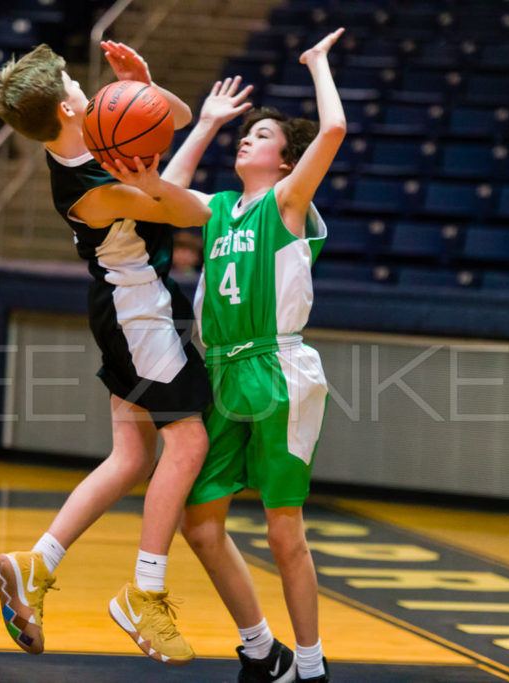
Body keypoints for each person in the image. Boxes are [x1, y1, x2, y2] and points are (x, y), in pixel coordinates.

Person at [0, 42, 212, 665]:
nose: (87, 89)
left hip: (125, 307)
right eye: (75, 84)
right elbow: (186, 210)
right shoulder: (86, 186)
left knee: (132, 454)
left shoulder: (91, 137)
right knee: (189, 443)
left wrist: (144, 83)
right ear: (66, 107)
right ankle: (145, 589)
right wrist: (254, 212)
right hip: (138, 314)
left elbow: (178, 116)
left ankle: (39, 563)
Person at [161, 28, 346, 682]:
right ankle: (260, 648)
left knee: (281, 529)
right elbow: (163, 192)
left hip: (279, 368)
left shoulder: (287, 202)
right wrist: (207, 124)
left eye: (261, 134)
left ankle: (312, 664)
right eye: (249, 132)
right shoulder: (216, 210)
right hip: (223, 372)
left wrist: (319, 65)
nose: (250, 137)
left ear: (284, 157)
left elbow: (334, 131)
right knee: (200, 523)